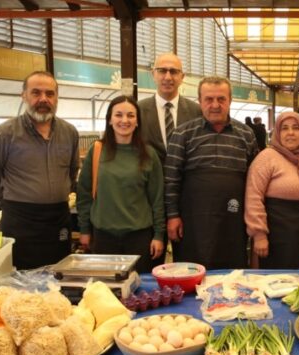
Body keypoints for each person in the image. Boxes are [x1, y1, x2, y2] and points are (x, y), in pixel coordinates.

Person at [0, 71, 79, 269]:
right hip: (20, 221)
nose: (43, 99)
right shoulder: (5, 134)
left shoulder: (69, 132)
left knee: (59, 273)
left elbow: (72, 172)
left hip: (58, 218)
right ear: (24, 95)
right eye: (36, 93)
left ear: (57, 97)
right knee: (21, 281)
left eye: (50, 94)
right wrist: (11, 203)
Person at [164, 76, 258, 269]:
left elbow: (254, 181)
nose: (215, 105)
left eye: (221, 99)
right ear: (200, 101)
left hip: (233, 220)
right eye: (209, 99)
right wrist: (172, 216)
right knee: (191, 272)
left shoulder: (246, 134)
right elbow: (171, 179)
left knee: (233, 274)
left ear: (230, 100)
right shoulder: (182, 134)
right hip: (192, 222)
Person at [76, 96, 165, 273]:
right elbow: (84, 194)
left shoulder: (148, 154)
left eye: (131, 115)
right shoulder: (97, 151)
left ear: (137, 121)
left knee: (140, 292)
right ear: (110, 119)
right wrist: (84, 230)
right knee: (106, 290)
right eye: (118, 115)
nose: (124, 120)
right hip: (103, 237)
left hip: (139, 238)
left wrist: (159, 235)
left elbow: (157, 198)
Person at [138, 53, 201, 267]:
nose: (168, 76)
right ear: (153, 74)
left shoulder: (196, 112)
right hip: (147, 201)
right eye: (162, 70)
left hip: (185, 200)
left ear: (182, 77)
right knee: (150, 261)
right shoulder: (136, 111)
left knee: (187, 262)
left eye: (173, 71)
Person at [245, 111, 299, 269]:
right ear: (277, 133)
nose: (290, 133)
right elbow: (253, 196)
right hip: (280, 235)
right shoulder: (267, 156)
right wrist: (259, 235)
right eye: (284, 128)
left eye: (296, 128)